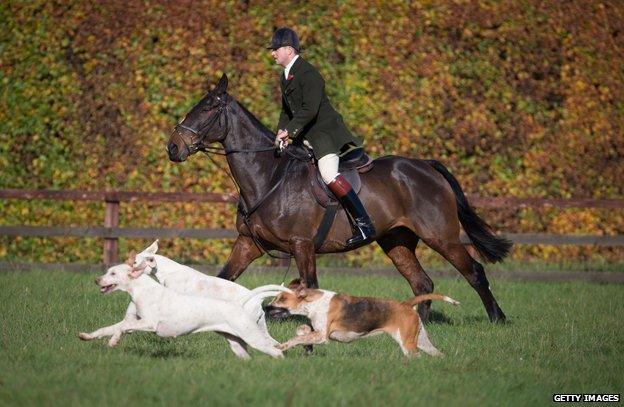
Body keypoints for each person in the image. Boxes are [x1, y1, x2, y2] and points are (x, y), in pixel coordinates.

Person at [267, 27, 375, 246]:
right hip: (304, 135)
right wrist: (280, 131)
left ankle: (365, 224)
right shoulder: (285, 76)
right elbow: (285, 111)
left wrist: (290, 131)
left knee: (328, 174)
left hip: (324, 134)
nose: (272, 53)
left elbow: (310, 109)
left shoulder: (309, 73)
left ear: (289, 49)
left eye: (275, 49)